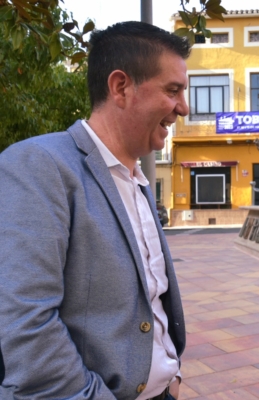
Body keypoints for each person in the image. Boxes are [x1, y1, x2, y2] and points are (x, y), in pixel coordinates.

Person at [0, 21, 190, 400]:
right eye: (173, 90)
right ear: (120, 87)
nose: (182, 108)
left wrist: (170, 377)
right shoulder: (39, 165)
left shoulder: (137, 179)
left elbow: (151, 306)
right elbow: (26, 324)